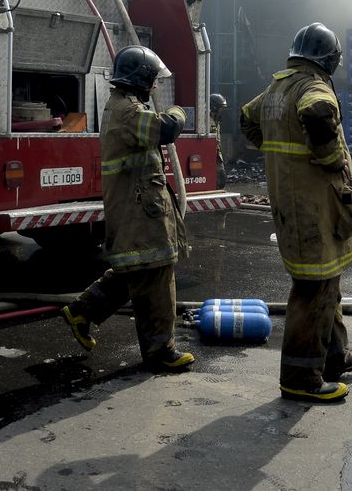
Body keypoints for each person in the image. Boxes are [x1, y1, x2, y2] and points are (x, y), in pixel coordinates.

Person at [240, 22, 352, 403]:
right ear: (330, 59)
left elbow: (249, 118)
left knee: (328, 281)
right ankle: (300, 378)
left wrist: (278, 151)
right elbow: (317, 111)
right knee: (313, 287)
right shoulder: (313, 85)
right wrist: (330, 158)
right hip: (311, 205)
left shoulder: (278, 86)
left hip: (296, 201)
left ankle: (334, 356)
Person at [62, 45, 195, 373]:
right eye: (153, 80)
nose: (155, 86)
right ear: (142, 79)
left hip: (138, 207)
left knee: (138, 272)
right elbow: (166, 130)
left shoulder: (121, 106)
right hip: (140, 212)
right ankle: (160, 351)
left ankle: (83, 310)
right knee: (159, 277)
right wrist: (179, 111)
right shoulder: (127, 111)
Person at [209, 93, 228, 189]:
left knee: (221, 178)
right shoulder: (205, 120)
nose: (222, 110)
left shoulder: (217, 120)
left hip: (217, 154)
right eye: (221, 108)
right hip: (207, 154)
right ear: (214, 107)